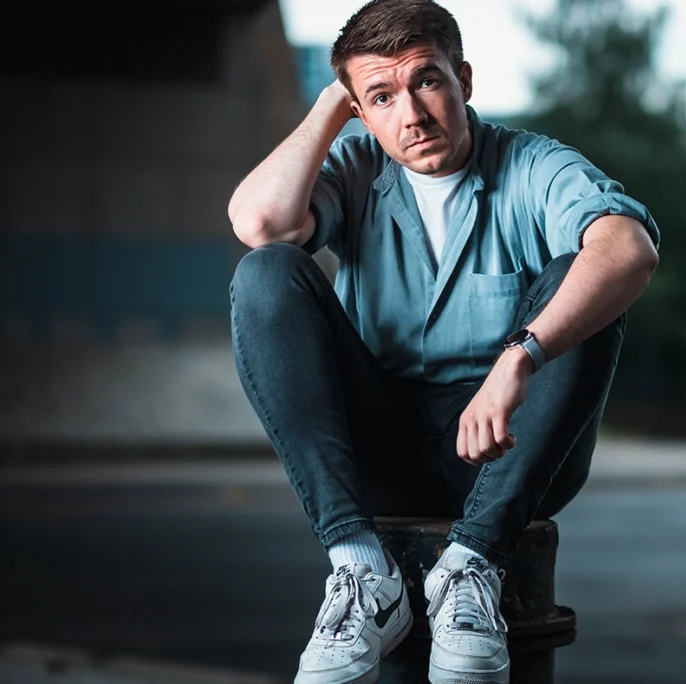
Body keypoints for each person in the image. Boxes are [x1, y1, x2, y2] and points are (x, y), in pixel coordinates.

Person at [225, 0, 660, 682]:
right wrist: (328, 113)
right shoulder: (358, 164)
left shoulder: (531, 165)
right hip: (382, 454)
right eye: (381, 96)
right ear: (360, 111)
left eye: (427, 81)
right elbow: (260, 223)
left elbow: (628, 248)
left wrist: (522, 354)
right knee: (266, 272)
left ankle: (474, 566)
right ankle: (361, 571)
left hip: (508, 455)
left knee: (585, 278)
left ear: (463, 80)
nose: (413, 114)